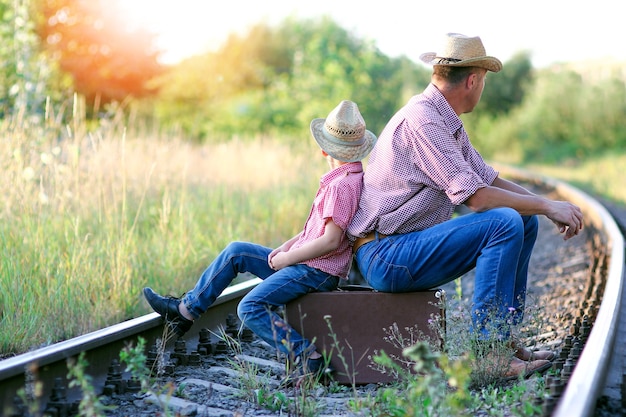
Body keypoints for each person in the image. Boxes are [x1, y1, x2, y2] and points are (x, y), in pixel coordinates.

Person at [347, 33, 584, 380]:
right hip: (385, 253)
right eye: (484, 81)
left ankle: (502, 339)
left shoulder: (444, 119)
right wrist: (547, 207)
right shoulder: (424, 120)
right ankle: (489, 354)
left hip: (402, 246)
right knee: (503, 221)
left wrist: (543, 205)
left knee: (523, 217)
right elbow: (476, 198)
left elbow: (488, 179)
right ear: (473, 80)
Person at [143, 100, 376, 382]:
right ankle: (185, 311)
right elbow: (319, 229)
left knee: (249, 308)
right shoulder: (345, 179)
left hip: (315, 272)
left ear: (323, 149)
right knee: (236, 252)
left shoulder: (341, 186)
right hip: (308, 263)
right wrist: (289, 245)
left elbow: (330, 240)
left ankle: (308, 357)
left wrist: (289, 259)